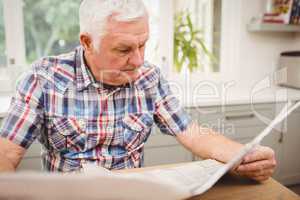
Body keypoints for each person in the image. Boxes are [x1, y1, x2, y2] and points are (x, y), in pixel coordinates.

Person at [0, 0, 276, 182]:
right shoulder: (43, 77)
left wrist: (244, 154)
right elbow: (6, 156)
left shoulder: (149, 78)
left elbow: (191, 132)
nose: (139, 60)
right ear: (87, 42)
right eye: (124, 49)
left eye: (143, 45)